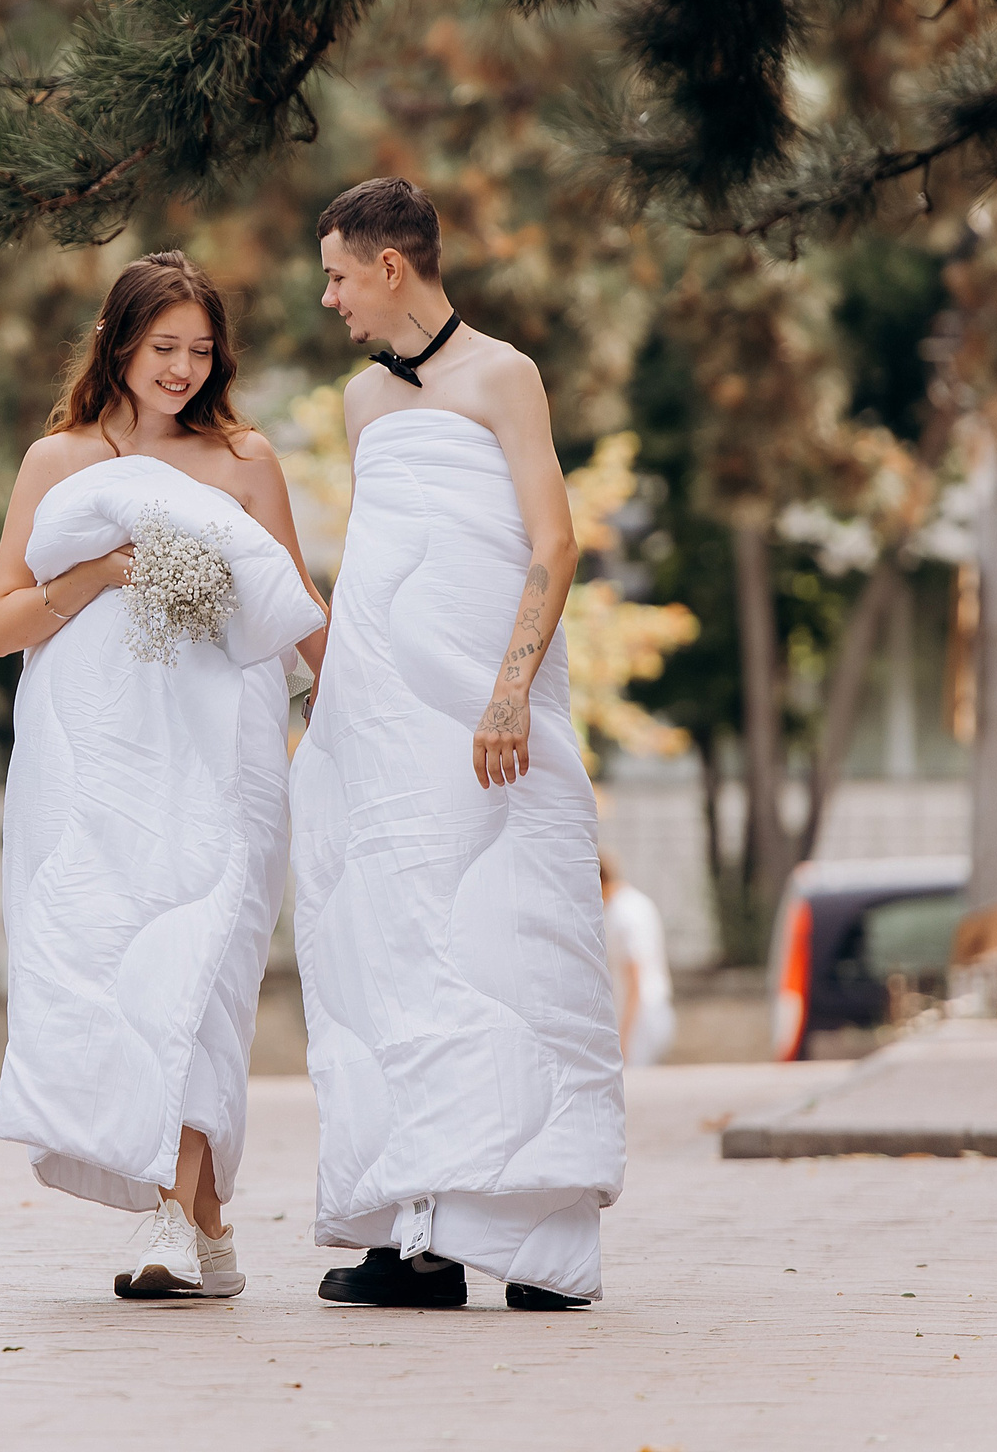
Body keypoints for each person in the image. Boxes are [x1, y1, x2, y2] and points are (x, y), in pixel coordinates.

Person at [289, 177, 626, 1312]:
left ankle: (538, 1240)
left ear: (393, 265)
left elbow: (553, 538)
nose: (327, 296)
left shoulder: (504, 375)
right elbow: (374, 566)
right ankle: (415, 1239)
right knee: (391, 957)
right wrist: (328, 710)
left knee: (516, 950)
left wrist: (508, 694)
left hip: (493, 718)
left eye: (337, 273)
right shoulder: (356, 405)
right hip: (382, 725)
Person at [0, 250, 329, 1301]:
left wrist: (371, 723)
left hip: (222, 770)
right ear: (117, 344)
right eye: (162, 348)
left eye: (200, 350)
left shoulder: (243, 461)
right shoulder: (58, 461)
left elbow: (295, 617)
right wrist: (99, 573)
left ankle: (177, 1225)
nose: (181, 369)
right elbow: (3, 625)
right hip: (96, 777)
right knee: (117, 977)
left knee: (197, 981)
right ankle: (205, 1223)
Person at [601, 853, 678, 1069]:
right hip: (653, 1008)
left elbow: (636, 978)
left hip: (640, 1016)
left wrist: (624, 1036)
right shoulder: (638, 903)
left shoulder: (622, 915)